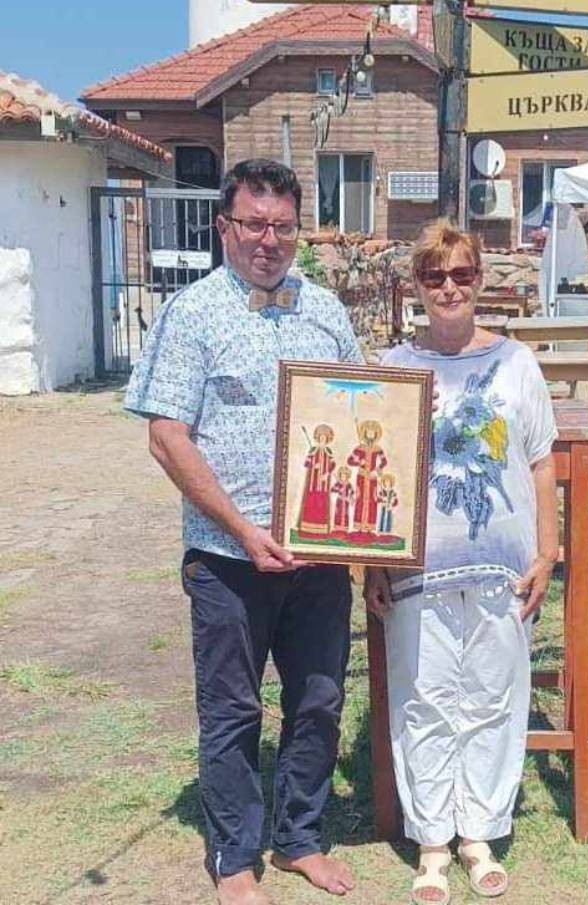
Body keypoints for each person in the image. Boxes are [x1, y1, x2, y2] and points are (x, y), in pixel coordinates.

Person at [124, 159, 362, 905]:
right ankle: (234, 858)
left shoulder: (326, 310)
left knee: (319, 697)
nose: (268, 239)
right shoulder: (192, 313)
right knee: (232, 708)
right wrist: (245, 528)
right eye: (254, 223)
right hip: (228, 557)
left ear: (300, 230)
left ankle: (298, 838)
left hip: (321, 553)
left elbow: (367, 412)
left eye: (283, 226)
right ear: (225, 226)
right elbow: (168, 436)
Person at [364, 220, 559, 904]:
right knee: (423, 698)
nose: (449, 287)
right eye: (435, 275)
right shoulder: (393, 369)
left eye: (462, 274)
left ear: (481, 281)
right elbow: (376, 473)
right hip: (418, 567)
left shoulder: (516, 363)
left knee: (492, 696)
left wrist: (550, 548)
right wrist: (371, 562)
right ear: (416, 285)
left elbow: (539, 462)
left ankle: (478, 828)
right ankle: (432, 838)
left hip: (502, 565)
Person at [298, 424, 336, 537]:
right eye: (321, 437)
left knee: (321, 504)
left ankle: (321, 531)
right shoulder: (313, 450)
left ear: (328, 439)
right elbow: (306, 463)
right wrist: (314, 465)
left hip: (324, 483)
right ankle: (307, 529)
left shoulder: (329, 451)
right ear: (318, 438)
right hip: (312, 484)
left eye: (325, 437)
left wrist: (327, 474)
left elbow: (333, 465)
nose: (322, 439)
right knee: (311, 503)